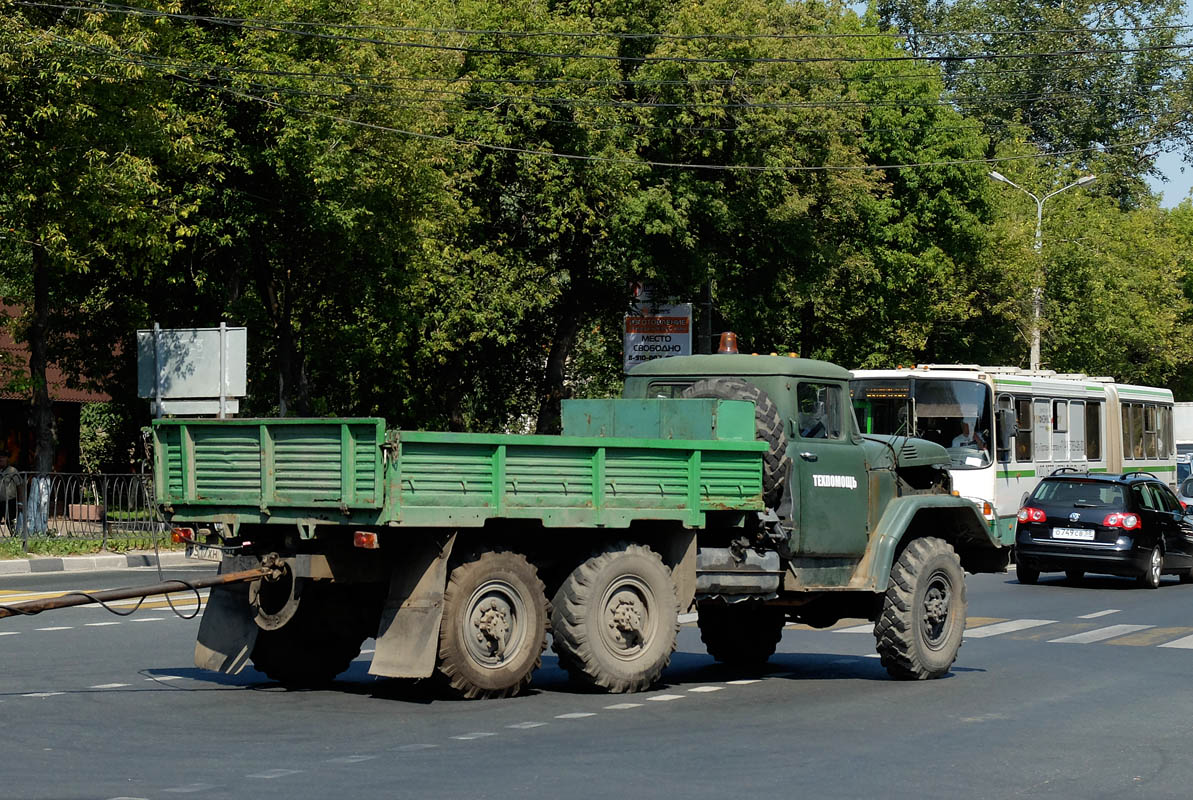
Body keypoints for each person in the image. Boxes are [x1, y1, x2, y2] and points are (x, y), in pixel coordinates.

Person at [0, 451, 23, 535]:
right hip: (0, 501)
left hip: (10, 501)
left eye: (3, 457)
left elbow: (19, 486)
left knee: (11, 522)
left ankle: (15, 539)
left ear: (7, 459)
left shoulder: (12, 471)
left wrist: (20, 502)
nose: (1, 459)